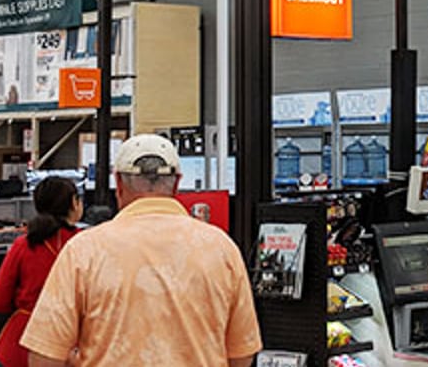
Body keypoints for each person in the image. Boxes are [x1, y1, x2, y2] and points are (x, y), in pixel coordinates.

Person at [21, 134, 262, 367]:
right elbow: (241, 354)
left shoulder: (85, 251)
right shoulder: (221, 248)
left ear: (118, 183)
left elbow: (45, 356)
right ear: (177, 182)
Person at [0, 177, 83, 367]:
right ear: (74, 203)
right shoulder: (86, 244)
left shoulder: (23, 245)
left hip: (21, 343)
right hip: (71, 344)